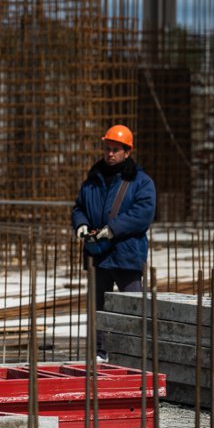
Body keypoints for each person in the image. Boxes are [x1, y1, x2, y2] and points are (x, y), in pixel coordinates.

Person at [71, 124, 156, 363]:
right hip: (98, 255)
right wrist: (81, 225)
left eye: (115, 150)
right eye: (107, 148)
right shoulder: (92, 180)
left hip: (126, 255)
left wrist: (113, 229)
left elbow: (143, 214)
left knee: (132, 305)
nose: (110, 153)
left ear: (127, 152)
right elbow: (79, 207)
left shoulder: (140, 182)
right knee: (98, 307)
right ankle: (99, 352)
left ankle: (135, 352)